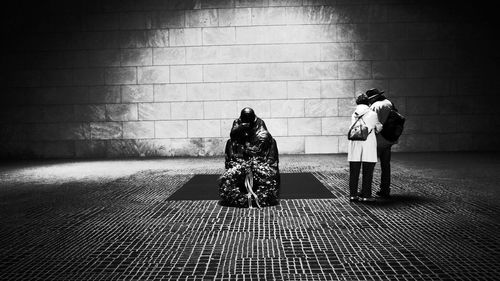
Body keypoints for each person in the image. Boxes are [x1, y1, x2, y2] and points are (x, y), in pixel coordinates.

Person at [220, 107, 280, 208]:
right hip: (242, 144)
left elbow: (264, 133)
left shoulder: (259, 121)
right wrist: (241, 127)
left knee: (272, 142)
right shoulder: (237, 122)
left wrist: (257, 141)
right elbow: (233, 135)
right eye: (245, 118)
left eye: (249, 118)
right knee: (230, 143)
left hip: (255, 146)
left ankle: (267, 165)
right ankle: (234, 163)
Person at [348, 94, 383, 202]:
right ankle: (366, 195)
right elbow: (378, 128)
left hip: (355, 144)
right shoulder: (372, 114)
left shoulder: (354, 114)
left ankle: (353, 195)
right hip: (368, 144)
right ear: (368, 102)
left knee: (354, 171)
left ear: (357, 103)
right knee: (367, 171)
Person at [366, 88, 396, 198]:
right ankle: (385, 189)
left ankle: (366, 190)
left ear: (373, 98)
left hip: (378, 141)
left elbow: (373, 124)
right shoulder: (389, 103)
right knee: (386, 166)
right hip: (388, 139)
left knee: (369, 166)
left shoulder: (375, 106)